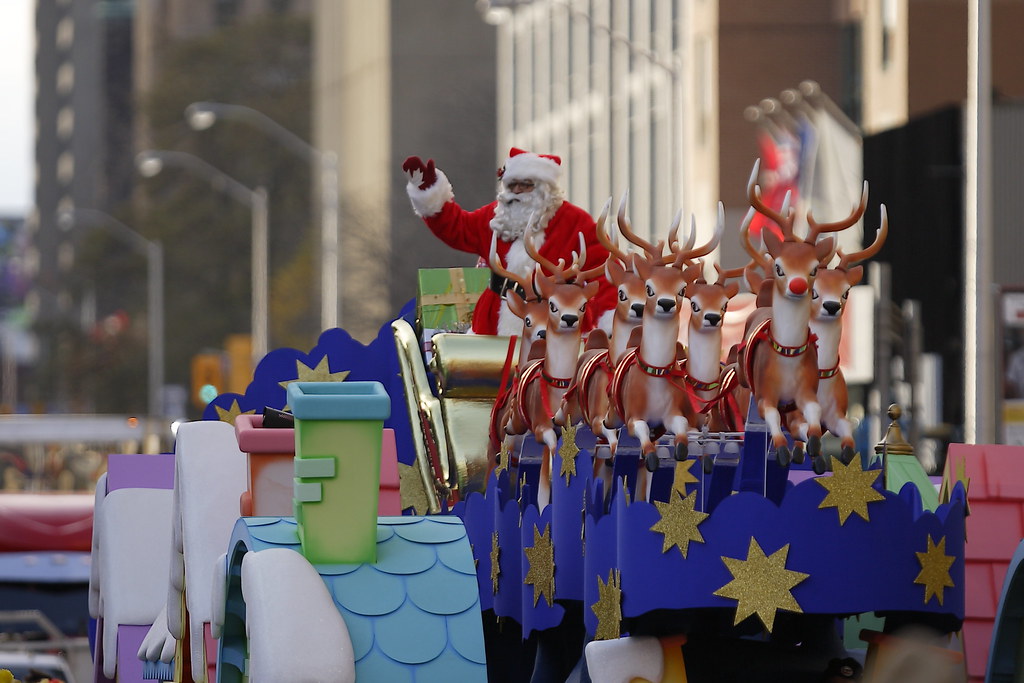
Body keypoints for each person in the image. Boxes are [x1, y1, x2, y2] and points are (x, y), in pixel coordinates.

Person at [402, 148, 616, 336]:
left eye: (526, 185)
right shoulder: (495, 217)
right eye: (512, 185)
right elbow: (457, 228)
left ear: (545, 188)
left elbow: (603, 273)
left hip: (558, 323)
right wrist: (429, 192)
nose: (517, 192)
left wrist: (608, 316)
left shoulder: (576, 221)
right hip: (494, 322)